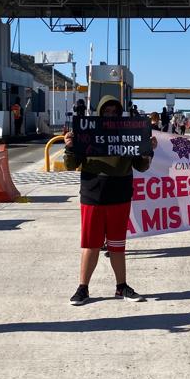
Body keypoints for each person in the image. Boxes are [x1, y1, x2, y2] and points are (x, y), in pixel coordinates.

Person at [63, 94, 157, 305]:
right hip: (92, 194)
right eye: (107, 111)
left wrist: (148, 150)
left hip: (120, 195)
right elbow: (70, 165)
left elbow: (141, 166)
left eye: (115, 112)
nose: (111, 115)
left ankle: (121, 287)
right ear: (100, 113)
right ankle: (83, 288)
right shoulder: (87, 132)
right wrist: (69, 146)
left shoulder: (129, 134)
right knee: (91, 244)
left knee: (117, 245)